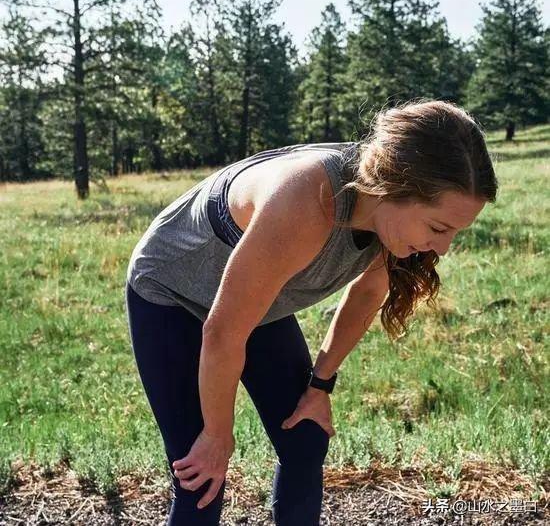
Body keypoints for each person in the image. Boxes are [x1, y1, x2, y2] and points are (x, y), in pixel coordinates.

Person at [124, 98, 498, 525]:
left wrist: (320, 386)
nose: (443, 248)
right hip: (171, 292)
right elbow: (223, 333)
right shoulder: (307, 201)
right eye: (438, 228)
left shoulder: (385, 217)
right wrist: (216, 435)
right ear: (394, 186)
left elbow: (367, 292)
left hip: (252, 301)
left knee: (305, 438)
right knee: (202, 478)